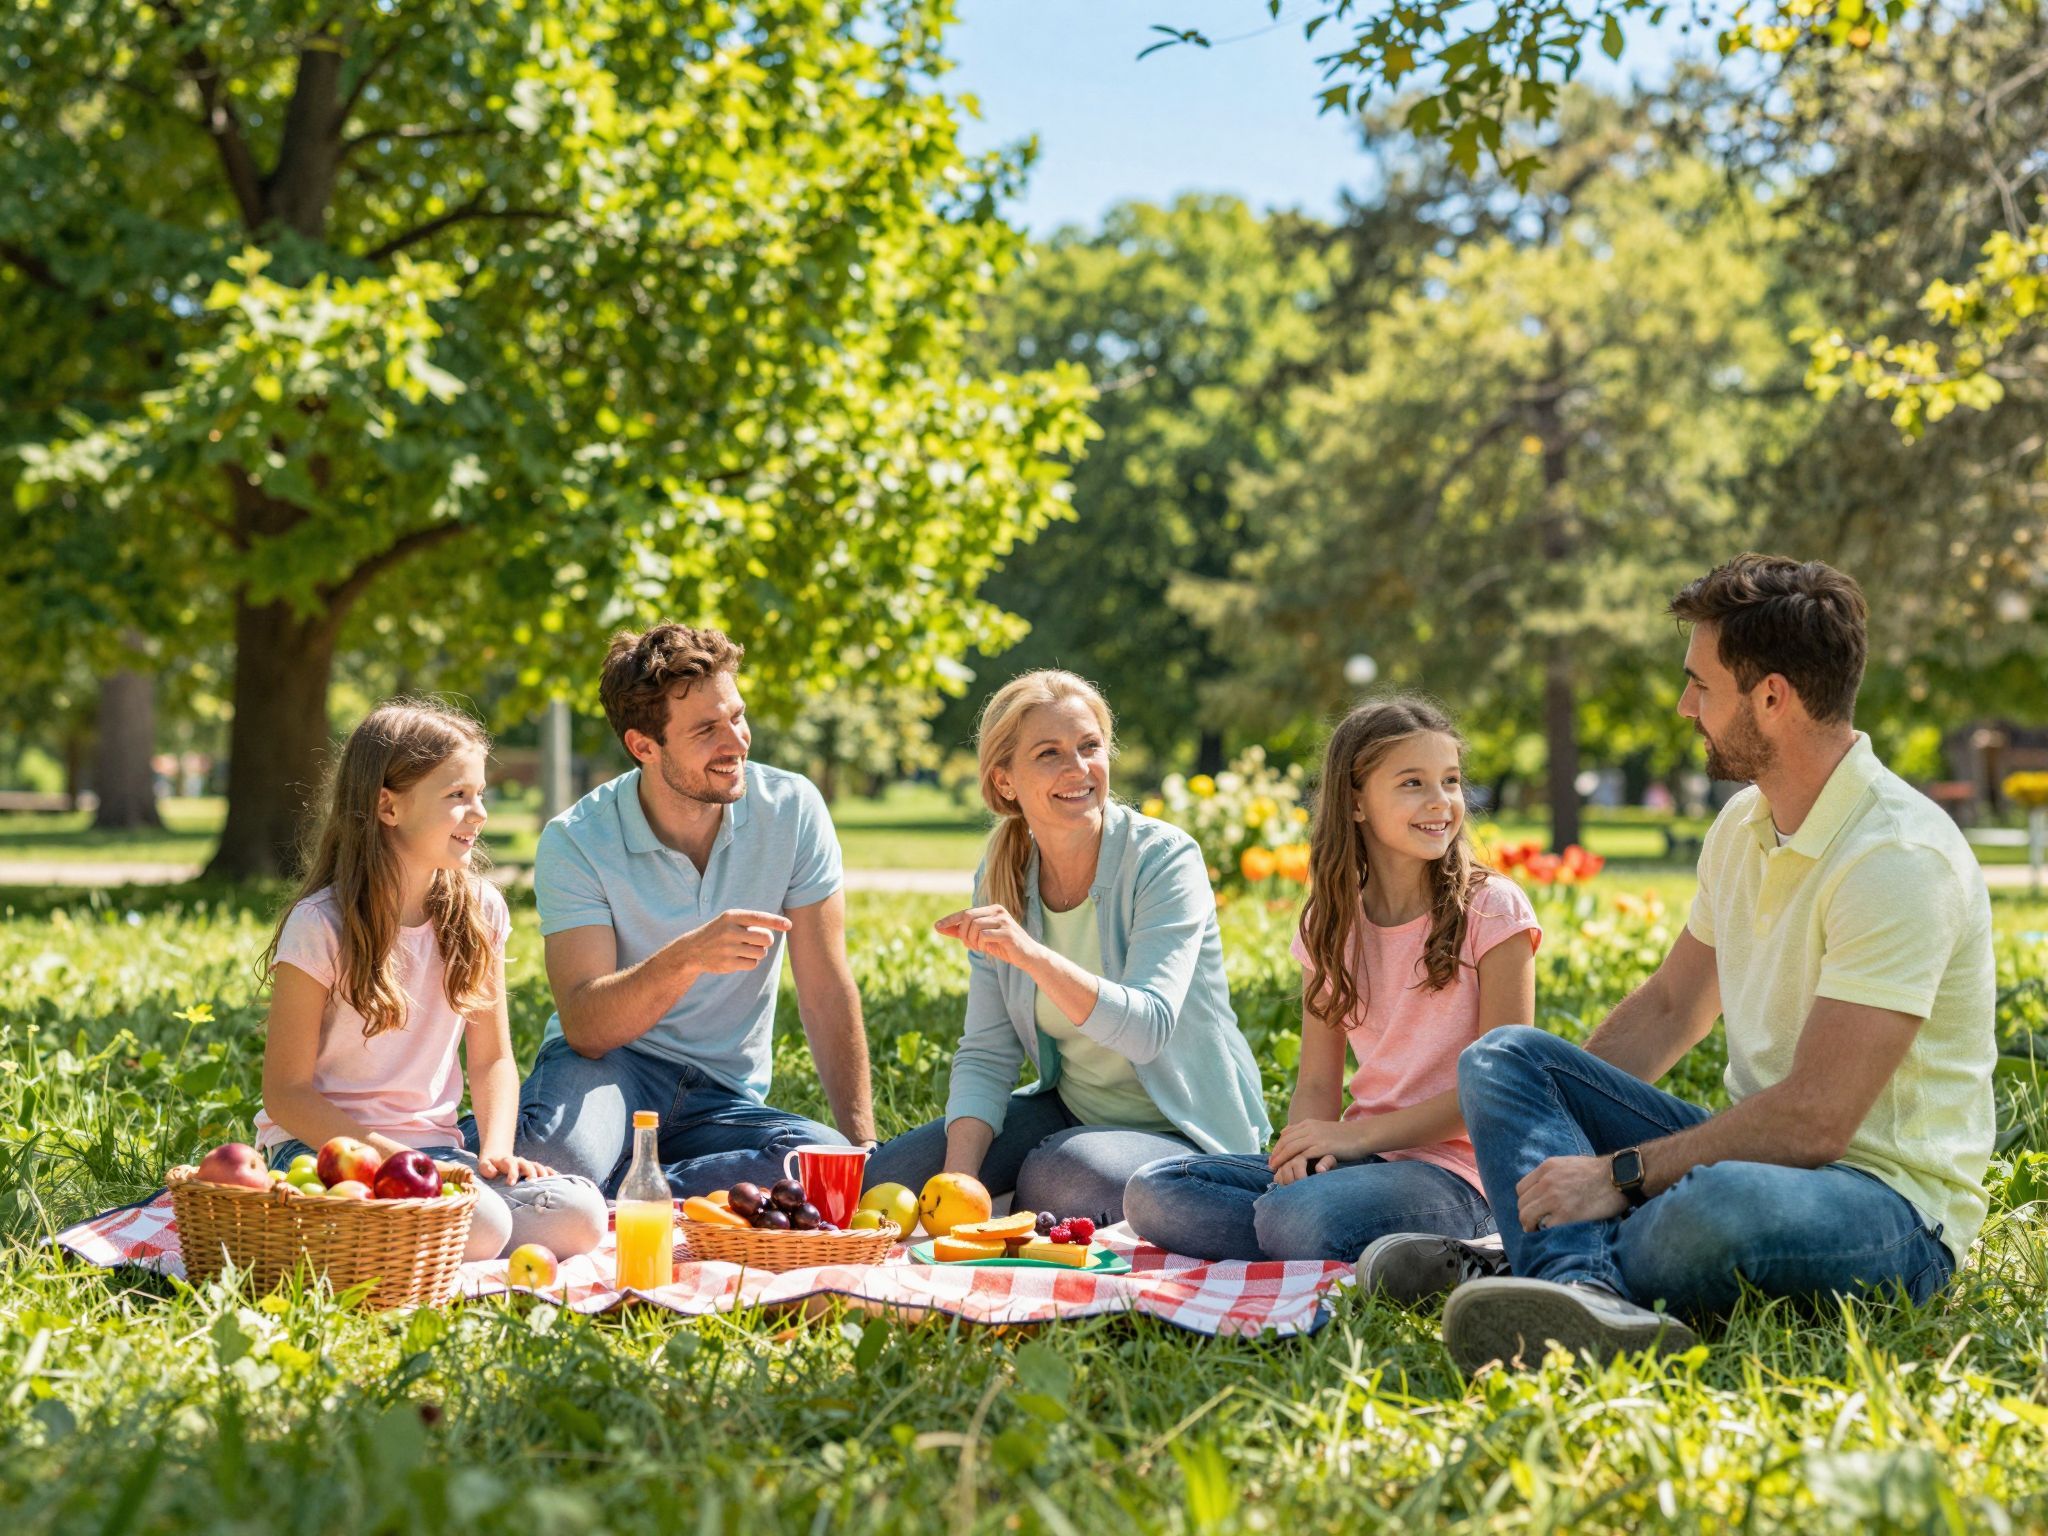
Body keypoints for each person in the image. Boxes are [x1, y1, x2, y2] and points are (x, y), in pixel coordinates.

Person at [1392, 555, 1995, 1375]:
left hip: (1886, 1208)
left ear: (1772, 697)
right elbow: (1674, 1006)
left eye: (1702, 686)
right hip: (1761, 1158)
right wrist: (1559, 1133)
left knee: (1712, 1207)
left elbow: (1818, 1121)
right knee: (1503, 1059)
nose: (1686, 707)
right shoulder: (1745, 824)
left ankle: (1522, 1265)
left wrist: (1617, 1174)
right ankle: (1579, 1291)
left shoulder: (1898, 858)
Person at [1124, 697, 1538, 1265]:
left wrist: (1350, 1141)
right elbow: (1318, 1086)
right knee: (1154, 1191)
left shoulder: (1492, 909)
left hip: (1466, 1176)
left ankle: (1432, 1244)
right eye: (1413, 783)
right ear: (1356, 802)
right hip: (1362, 1163)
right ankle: (1364, 1245)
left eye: (1450, 781)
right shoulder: (1331, 921)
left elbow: (1499, 1095)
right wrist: (1299, 1153)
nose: (1441, 801)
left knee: (1296, 1216)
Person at [864, 670, 1269, 1223]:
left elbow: (1148, 1030)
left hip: (1186, 1130)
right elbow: (988, 1050)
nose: (1078, 769)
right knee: (890, 1178)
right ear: (1005, 780)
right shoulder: (1004, 874)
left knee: (1063, 1175)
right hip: (1072, 1110)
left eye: (1089, 747)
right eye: (1049, 753)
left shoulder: (1163, 859)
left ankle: (1053, 1200)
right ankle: (1022, 1204)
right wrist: (958, 1184)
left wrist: (1031, 954)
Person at [515, 625, 875, 1197]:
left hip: (722, 1099)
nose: (736, 741)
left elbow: (826, 988)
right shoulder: (577, 839)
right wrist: (686, 958)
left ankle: (616, 1194)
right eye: (708, 730)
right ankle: (560, 1172)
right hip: (606, 1071)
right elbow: (586, 1029)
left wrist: (863, 1153)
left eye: (737, 716)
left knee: (821, 1165)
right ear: (643, 746)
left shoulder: (793, 809)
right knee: (557, 1157)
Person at [257, 701, 606, 1263]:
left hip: (434, 1153)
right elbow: (286, 1093)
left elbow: (491, 1058)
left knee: (581, 1219)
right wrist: (392, 1159)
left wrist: (495, 1151)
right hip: (324, 1150)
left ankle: (416, 1244)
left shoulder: (480, 912)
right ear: (387, 806)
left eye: (480, 794)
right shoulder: (321, 924)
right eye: (457, 796)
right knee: (484, 1226)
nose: (480, 813)